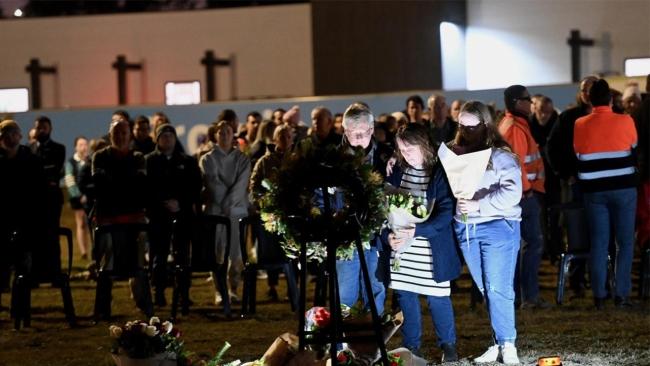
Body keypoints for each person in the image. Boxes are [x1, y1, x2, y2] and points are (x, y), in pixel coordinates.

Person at [447, 101, 522, 364]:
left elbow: (513, 193)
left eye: (472, 126)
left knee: (497, 287)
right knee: (485, 288)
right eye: (461, 126)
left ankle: (508, 343)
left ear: (486, 126)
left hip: (497, 225)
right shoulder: (454, 153)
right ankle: (498, 341)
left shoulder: (501, 156)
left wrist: (480, 204)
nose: (466, 131)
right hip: (467, 227)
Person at [384, 122, 460, 363]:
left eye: (410, 150)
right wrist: (389, 235)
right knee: (406, 296)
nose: (405, 155)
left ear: (424, 145)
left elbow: (446, 211)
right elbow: (385, 204)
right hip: (403, 249)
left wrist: (417, 229)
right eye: (401, 151)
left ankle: (448, 346)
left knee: (438, 297)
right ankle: (411, 346)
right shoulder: (397, 169)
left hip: (430, 248)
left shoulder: (439, 172)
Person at [574, 79, 638, 309]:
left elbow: (578, 152)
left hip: (594, 191)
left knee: (599, 244)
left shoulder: (580, 123)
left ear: (589, 99)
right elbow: (633, 146)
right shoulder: (626, 120)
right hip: (623, 188)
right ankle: (622, 295)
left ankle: (599, 295)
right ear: (611, 99)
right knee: (625, 243)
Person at [335, 102, 394, 318]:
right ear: (345, 131)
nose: (359, 138)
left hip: (376, 234)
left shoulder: (387, 156)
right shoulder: (334, 160)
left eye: (363, 132)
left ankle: (372, 343)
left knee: (376, 287)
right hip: (346, 236)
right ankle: (342, 346)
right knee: (345, 292)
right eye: (353, 133)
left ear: (372, 130)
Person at [92, 119, 153, 318]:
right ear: (110, 135)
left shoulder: (138, 158)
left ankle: (143, 304)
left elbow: (140, 188)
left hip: (134, 219)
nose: (120, 136)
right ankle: (102, 309)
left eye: (124, 133)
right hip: (107, 219)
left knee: (138, 263)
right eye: (116, 133)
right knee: (106, 262)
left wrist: (115, 181)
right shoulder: (99, 157)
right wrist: (126, 182)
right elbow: (101, 189)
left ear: (130, 135)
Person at [498, 85, 548, 309]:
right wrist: (526, 190)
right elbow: (515, 164)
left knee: (520, 247)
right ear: (518, 102)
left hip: (519, 195)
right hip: (523, 196)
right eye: (528, 99)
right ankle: (529, 296)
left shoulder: (511, 124)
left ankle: (520, 296)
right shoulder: (515, 128)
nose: (531, 103)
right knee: (534, 244)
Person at [145, 124, 202, 307]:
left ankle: (183, 293)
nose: (167, 139)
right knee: (158, 256)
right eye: (163, 136)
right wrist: (162, 203)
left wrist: (180, 203)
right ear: (157, 139)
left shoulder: (188, 161)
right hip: (158, 217)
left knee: (183, 256)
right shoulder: (149, 162)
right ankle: (158, 292)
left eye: (170, 135)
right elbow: (146, 188)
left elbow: (194, 187)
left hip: (183, 216)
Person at [199, 120, 251, 305]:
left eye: (228, 132)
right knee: (218, 253)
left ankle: (233, 288)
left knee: (236, 255)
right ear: (215, 135)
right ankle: (219, 291)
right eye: (221, 132)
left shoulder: (243, 159)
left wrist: (229, 204)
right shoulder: (207, 159)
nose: (224, 135)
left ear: (233, 135)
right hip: (216, 214)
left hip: (236, 212)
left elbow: (241, 185)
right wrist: (224, 205)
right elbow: (213, 184)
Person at [0, 120, 47, 321]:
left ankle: (21, 311)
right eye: (7, 134)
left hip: (24, 222)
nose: (11, 137)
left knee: (23, 268)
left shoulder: (31, 160)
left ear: (19, 136)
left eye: (14, 133)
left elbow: (39, 191)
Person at [249, 124, 293, 300]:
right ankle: (272, 286)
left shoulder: (297, 160)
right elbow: (254, 185)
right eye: (281, 136)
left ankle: (292, 287)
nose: (285, 139)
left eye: (288, 136)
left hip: (291, 213)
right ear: (275, 139)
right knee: (271, 250)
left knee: (291, 252)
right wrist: (263, 201)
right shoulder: (264, 162)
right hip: (270, 214)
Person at [30, 116, 66, 285]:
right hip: (33, 200)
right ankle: (36, 275)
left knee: (52, 237)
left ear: (50, 129)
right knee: (34, 238)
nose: (40, 130)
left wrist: (38, 175)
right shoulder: (28, 149)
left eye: (44, 127)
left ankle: (55, 274)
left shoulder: (59, 149)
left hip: (51, 200)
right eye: (38, 127)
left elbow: (54, 171)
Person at [64, 136, 92, 260]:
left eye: (85, 144)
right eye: (80, 145)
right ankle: (83, 251)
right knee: (81, 223)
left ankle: (93, 249)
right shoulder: (71, 162)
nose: (83, 147)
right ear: (76, 147)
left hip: (90, 197)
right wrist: (79, 195)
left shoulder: (90, 161)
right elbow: (69, 180)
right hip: (77, 198)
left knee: (91, 223)